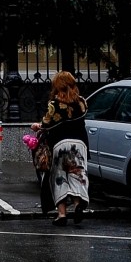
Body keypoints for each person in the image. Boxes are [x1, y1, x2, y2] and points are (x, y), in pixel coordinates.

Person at [33, 71, 91, 226]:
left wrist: (36, 126)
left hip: (60, 144)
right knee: (77, 173)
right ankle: (79, 205)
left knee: (59, 177)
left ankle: (62, 214)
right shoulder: (82, 102)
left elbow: (46, 124)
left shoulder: (54, 105)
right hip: (79, 144)